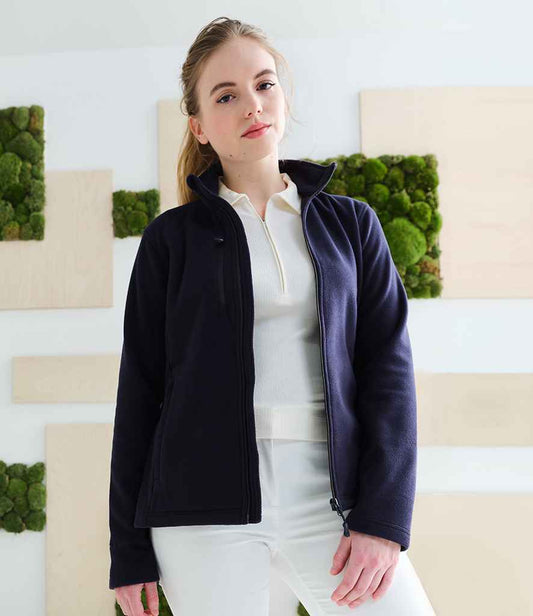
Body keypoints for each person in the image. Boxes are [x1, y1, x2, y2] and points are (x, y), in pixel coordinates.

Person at [109, 16, 436, 616]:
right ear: (199, 126)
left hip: (332, 499)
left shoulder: (352, 225)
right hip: (199, 512)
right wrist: (127, 552)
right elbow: (139, 393)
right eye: (226, 96)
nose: (252, 105)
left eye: (264, 84)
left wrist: (385, 518)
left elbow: (389, 373)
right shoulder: (170, 241)